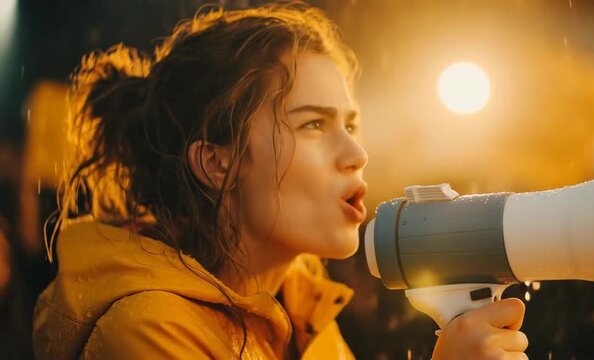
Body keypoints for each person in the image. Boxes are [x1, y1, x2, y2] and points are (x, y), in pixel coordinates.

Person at [32, 4, 528, 359]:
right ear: (216, 163)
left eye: (350, 125)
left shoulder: (302, 315)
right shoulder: (146, 333)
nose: (356, 154)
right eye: (313, 124)